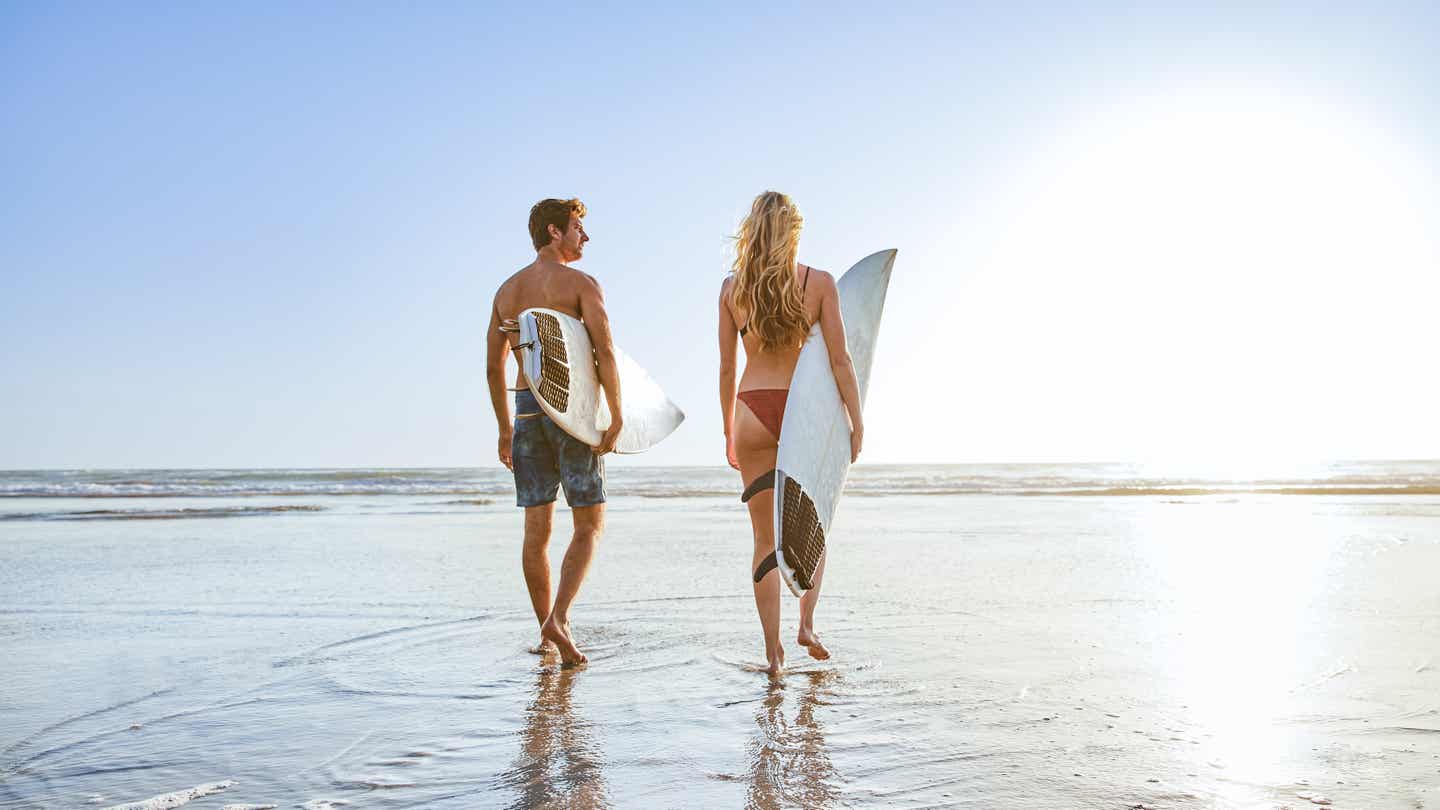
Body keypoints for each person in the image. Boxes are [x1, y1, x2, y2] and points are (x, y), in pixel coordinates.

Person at [718, 191, 864, 675]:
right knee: (815, 526)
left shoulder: (732, 289)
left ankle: (773, 655)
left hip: (751, 411)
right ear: (792, 232)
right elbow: (840, 362)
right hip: (803, 412)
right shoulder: (818, 283)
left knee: (764, 540)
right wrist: (855, 419)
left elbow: (726, 368)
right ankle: (806, 623)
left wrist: (727, 431)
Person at [486, 197, 623, 666]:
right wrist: (618, 413)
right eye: (577, 228)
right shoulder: (581, 284)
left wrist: (505, 429)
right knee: (589, 522)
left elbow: (492, 367)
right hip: (570, 409)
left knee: (536, 529)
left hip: (526, 407)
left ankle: (545, 633)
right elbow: (603, 351)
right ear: (553, 232)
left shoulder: (507, 292)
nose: (585, 237)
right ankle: (559, 619)